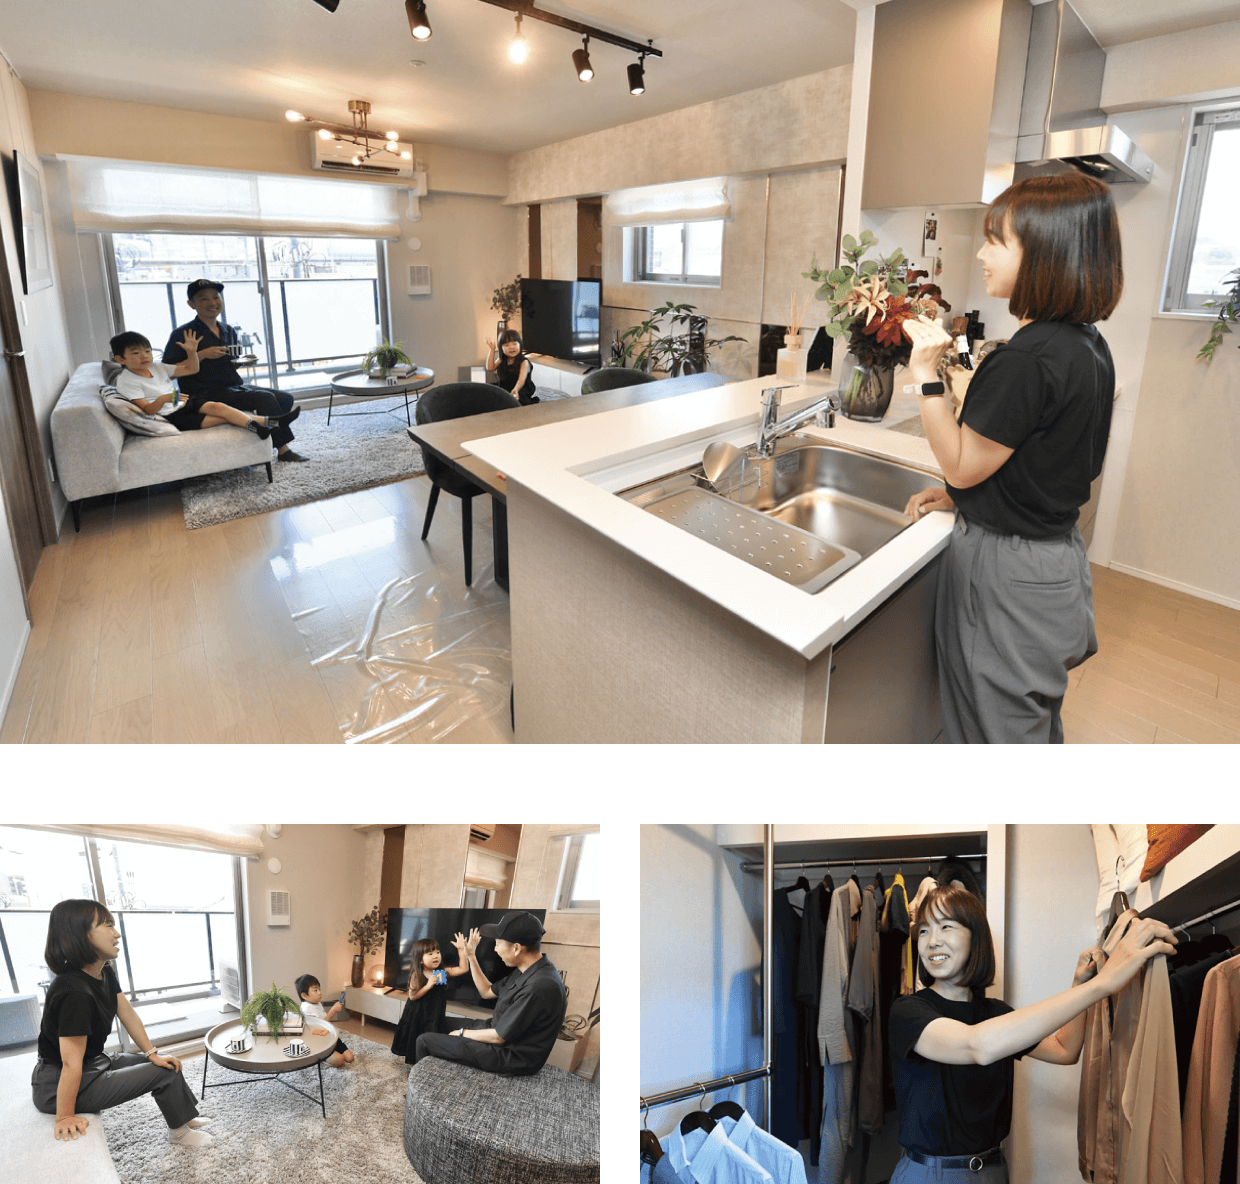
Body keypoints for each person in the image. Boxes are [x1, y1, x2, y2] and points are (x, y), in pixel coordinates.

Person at [900, 172, 1122, 743]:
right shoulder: (1086, 343)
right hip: (1055, 564)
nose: (981, 253)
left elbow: (961, 463)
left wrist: (926, 376)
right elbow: (1045, 459)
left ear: (1046, 253)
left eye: (996, 240)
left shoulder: (1025, 359)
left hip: (1008, 574)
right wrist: (966, 497)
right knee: (1026, 726)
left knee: (991, 730)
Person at [887, 885, 1177, 1184]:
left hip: (992, 1171)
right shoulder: (907, 1011)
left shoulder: (995, 1013)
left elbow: (1064, 1049)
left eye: (946, 927)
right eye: (924, 931)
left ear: (975, 936)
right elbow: (975, 1046)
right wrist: (1103, 984)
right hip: (929, 1174)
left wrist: (1080, 985)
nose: (932, 941)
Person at [32, 900, 213, 1147]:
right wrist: (64, 1117)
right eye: (108, 926)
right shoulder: (73, 991)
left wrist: (152, 1053)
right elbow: (70, 1063)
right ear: (80, 934)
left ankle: (185, 1116)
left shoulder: (104, 972)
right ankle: (179, 1134)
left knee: (165, 1063)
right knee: (161, 1073)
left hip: (93, 1062)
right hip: (57, 1085)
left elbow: (127, 1014)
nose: (117, 934)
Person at [161, 279, 308, 461]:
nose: (212, 303)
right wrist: (201, 355)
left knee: (286, 398)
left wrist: (243, 362)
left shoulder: (227, 329)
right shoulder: (182, 333)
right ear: (192, 304)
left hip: (232, 386)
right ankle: (283, 450)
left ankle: (265, 440)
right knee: (265, 398)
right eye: (204, 299)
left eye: (216, 297)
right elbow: (167, 372)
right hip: (204, 393)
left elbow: (229, 362)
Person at [412, 911, 566, 1076]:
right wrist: (471, 956)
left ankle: (424, 1085)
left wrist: (462, 1033)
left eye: (498, 944)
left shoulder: (539, 986)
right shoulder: (526, 970)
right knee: (437, 1022)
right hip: (496, 1030)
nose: (495, 949)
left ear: (516, 948)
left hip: (510, 1055)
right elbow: (486, 991)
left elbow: (499, 1037)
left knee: (424, 1041)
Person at [110, 330, 290, 439]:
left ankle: (269, 425)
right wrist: (163, 399)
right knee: (223, 417)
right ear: (120, 359)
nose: (144, 356)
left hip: (182, 401)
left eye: (147, 351)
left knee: (219, 407)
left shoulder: (157, 367)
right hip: (171, 415)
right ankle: (269, 424)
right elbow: (148, 410)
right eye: (136, 353)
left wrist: (192, 352)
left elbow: (191, 368)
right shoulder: (126, 381)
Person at [390, 931, 474, 1065]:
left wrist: (461, 950)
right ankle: (413, 1063)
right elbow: (412, 996)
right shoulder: (417, 975)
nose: (435, 956)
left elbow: (463, 969)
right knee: (416, 1035)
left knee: (432, 1036)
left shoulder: (442, 972)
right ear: (420, 960)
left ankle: (429, 1061)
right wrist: (428, 986)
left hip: (434, 1013)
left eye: (437, 952)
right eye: (430, 954)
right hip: (418, 1013)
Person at [295, 974, 354, 1067]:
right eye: (315, 990)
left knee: (350, 1058)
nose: (319, 993)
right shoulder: (306, 1009)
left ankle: (330, 1053)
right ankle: (319, 1058)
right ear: (304, 995)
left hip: (328, 1036)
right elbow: (322, 1025)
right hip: (318, 1042)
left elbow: (323, 1018)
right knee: (340, 1060)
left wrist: (332, 1010)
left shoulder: (316, 1003)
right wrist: (333, 1011)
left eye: (319, 989)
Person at [485, 329, 539, 404]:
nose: (511, 347)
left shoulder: (524, 362)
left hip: (520, 390)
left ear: (520, 345)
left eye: (514, 344)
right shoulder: (502, 359)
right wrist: (492, 350)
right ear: (501, 348)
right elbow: (490, 368)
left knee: (513, 401)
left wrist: (516, 389)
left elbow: (521, 380)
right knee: (488, 391)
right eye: (506, 345)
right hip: (505, 388)